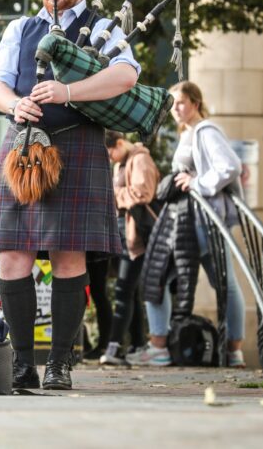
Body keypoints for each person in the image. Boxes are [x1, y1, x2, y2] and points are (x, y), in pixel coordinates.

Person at [0, 0, 140, 391]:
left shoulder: (104, 27)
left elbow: (126, 75)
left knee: (68, 255)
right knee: (13, 255)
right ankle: (20, 361)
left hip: (77, 147)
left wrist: (68, 93)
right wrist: (15, 106)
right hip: (23, 149)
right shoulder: (21, 28)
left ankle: (60, 363)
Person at [128, 81, 247, 367]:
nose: (176, 109)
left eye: (181, 102)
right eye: (173, 104)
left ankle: (159, 347)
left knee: (156, 276)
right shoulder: (192, 132)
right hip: (195, 220)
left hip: (197, 221)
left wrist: (197, 183)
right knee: (225, 284)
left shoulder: (204, 130)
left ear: (195, 102)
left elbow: (230, 166)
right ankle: (233, 352)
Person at [99, 131, 160, 365]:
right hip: (123, 233)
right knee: (130, 290)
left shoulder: (140, 159)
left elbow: (142, 193)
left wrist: (112, 195)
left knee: (124, 290)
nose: (111, 158)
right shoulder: (122, 163)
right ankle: (136, 345)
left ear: (120, 143)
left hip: (137, 235)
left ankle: (113, 348)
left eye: (111, 152)